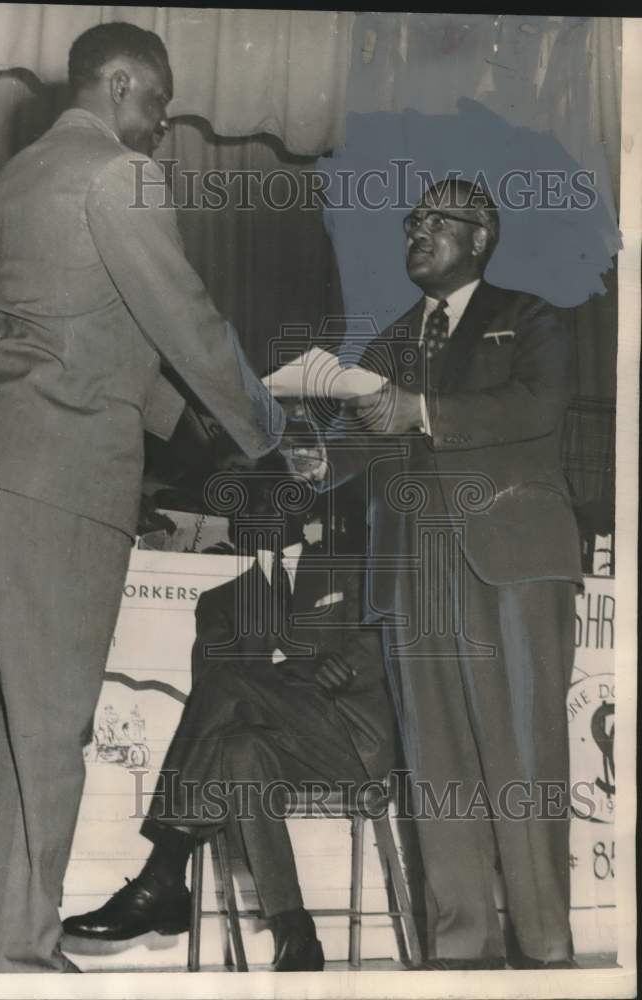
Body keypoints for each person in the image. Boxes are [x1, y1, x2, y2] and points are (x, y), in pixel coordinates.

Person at [0, 22, 284, 974]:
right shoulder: (121, 176)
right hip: (56, 475)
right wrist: (268, 429)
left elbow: (84, 335)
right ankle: (16, 957)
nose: (162, 129)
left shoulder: (14, 181)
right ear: (121, 83)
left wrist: (187, 426)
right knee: (48, 722)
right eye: (158, 105)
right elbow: (183, 318)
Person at [341, 179, 582, 969]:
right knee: (436, 757)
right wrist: (307, 453)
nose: (416, 232)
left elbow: (538, 407)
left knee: (523, 752)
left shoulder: (530, 319)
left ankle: (546, 950)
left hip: (510, 558)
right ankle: (461, 951)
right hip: (414, 570)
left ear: (480, 236)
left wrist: (425, 413)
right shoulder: (386, 346)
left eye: (435, 222)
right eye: (410, 222)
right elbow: (360, 446)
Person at [62, 468, 395, 971]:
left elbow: (391, 631)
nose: (264, 510)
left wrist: (352, 662)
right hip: (282, 750)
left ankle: (164, 875)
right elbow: (215, 700)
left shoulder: (346, 566)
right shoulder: (219, 603)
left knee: (229, 688)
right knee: (237, 746)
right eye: (251, 503)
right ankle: (294, 932)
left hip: (350, 742)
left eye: (276, 499)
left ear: (303, 510)